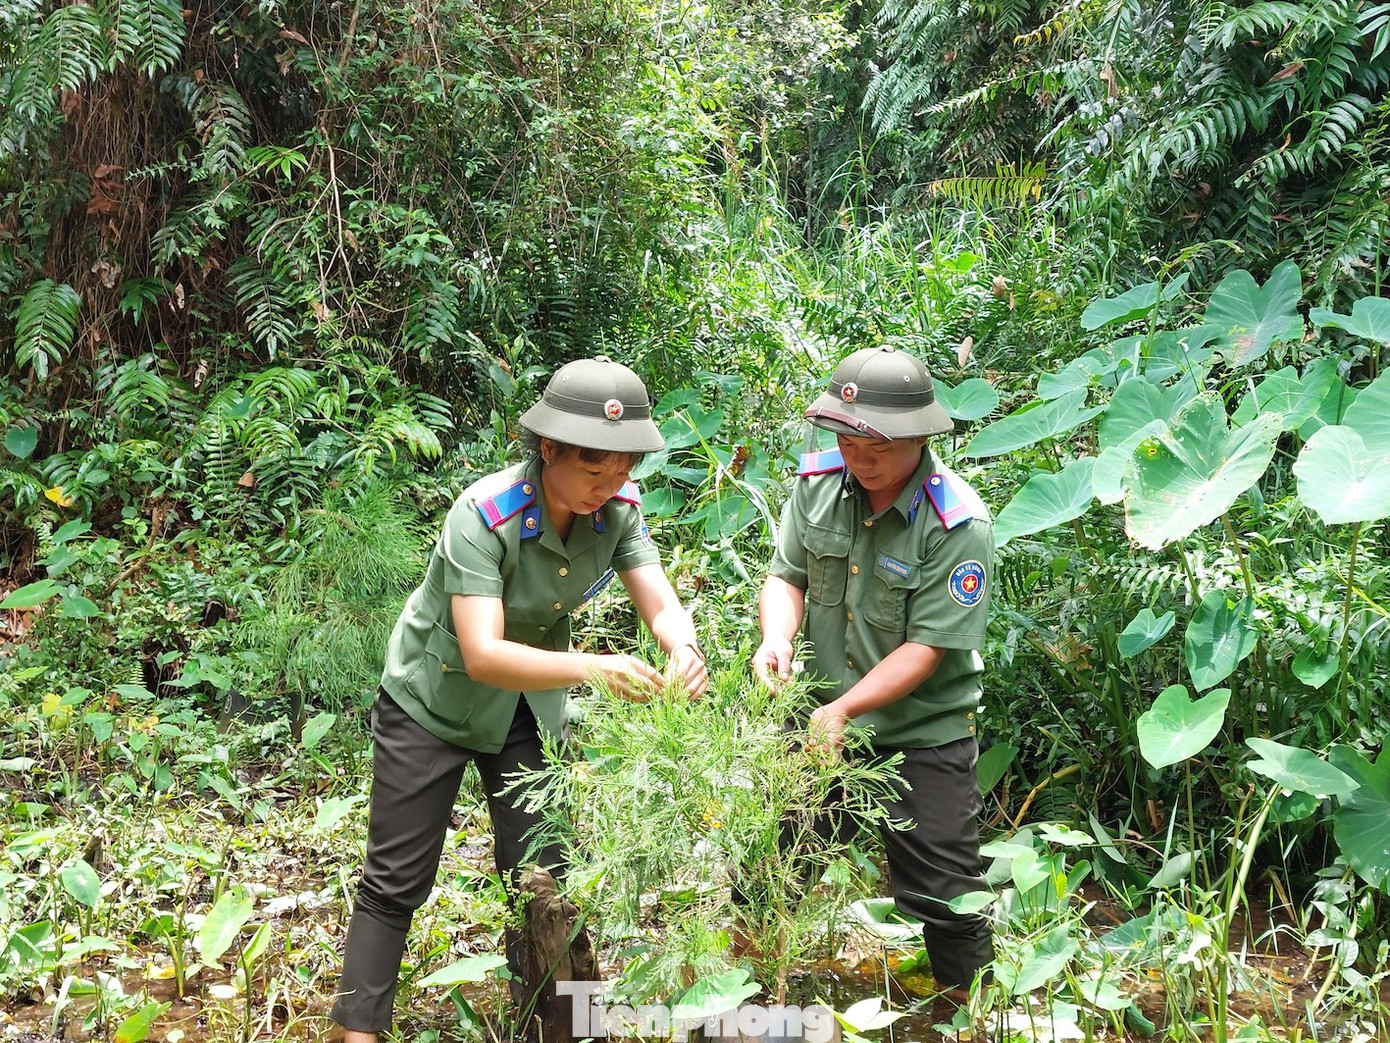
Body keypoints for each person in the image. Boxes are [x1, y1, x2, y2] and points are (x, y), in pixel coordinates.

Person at [331, 357, 709, 1042]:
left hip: (526, 712)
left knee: (545, 878)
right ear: (549, 449)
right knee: (395, 880)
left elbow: (658, 597)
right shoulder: (484, 514)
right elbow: (483, 651)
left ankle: (555, 1025)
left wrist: (683, 647)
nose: (610, 485)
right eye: (594, 471)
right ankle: (356, 1031)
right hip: (433, 703)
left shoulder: (619, 512)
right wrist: (593, 667)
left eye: (623, 471)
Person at [751, 344, 994, 999]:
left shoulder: (958, 523)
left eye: (878, 444)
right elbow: (787, 575)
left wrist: (846, 710)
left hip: (921, 729)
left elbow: (928, 647)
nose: (860, 455)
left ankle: (971, 1013)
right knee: (771, 869)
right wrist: (777, 635)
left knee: (948, 894)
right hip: (817, 719)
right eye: (848, 438)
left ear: (918, 435)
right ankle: (747, 1001)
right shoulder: (818, 484)